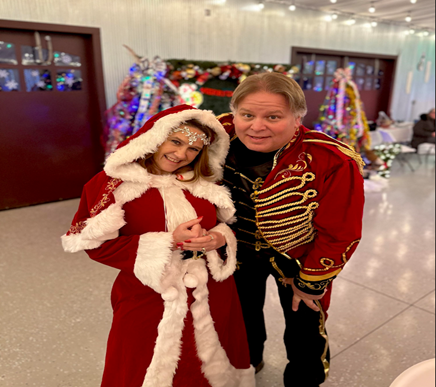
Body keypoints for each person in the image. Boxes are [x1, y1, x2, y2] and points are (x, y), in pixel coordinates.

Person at [62, 105, 255, 387]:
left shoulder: (204, 183)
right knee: (142, 360)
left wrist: (219, 237)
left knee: (210, 359)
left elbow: (226, 225)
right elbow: (96, 245)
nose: (181, 154)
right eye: (176, 141)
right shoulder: (113, 185)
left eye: (193, 149)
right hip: (148, 291)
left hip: (213, 290)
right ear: (155, 137)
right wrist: (169, 242)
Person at [218, 72, 365, 387]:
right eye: (247, 115)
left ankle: (303, 378)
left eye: (273, 117)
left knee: (304, 326)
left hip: (300, 257)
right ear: (234, 113)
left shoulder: (332, 159)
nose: (257, 126)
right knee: (241, 319)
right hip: (236, 251)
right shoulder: (215, 136)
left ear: (298, 118)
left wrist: (311, 283)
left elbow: (341, 232)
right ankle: (248, 364)